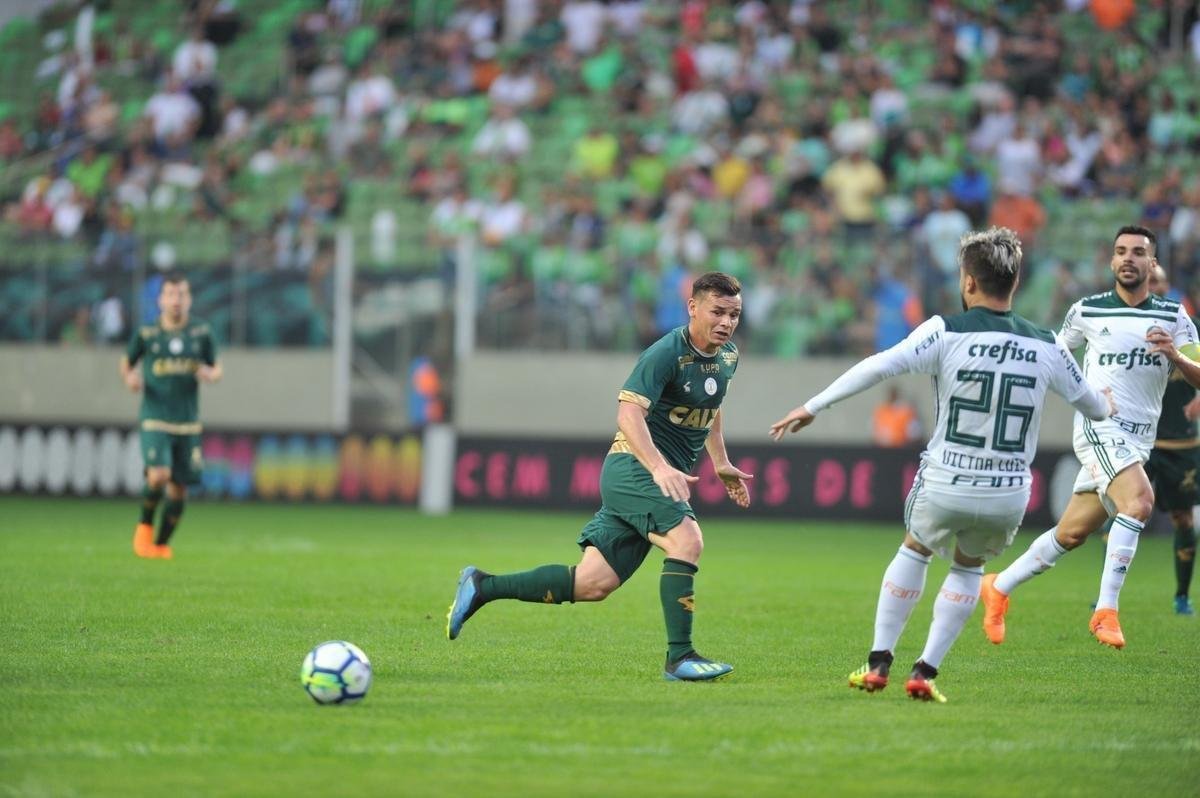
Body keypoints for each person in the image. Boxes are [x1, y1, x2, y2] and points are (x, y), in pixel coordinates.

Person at [769, 227, 1113, 702]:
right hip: (1008, 489)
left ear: (968, 282)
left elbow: (879, 365)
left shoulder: (945, 330)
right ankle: (925, 672)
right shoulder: (1048, 345)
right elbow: (1094, 407)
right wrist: (1108, 401)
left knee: (915, 548)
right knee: (969, 567)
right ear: (1014, 283)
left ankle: (878, 662)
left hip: (947, 477)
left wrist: (814, 405)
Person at [447, 272, 754, 681]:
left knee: (593, 583)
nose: (726, 322)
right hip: (633, 468)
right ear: (693, 307)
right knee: (687, 539)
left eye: (734, 314)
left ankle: (482, 587)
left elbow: (712, 407)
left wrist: (720, 461)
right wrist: (659, 466)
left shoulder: (728, 356)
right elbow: (628, 414)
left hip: (650, 476)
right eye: (718, 312)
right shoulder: (665, 353)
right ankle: (681, 658)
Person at [981, 226, 1200, 649]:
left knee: (1071, 534)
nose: (1129, 259)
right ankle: (1105, 610)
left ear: (1152, 263)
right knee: (1140, 501)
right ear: (1112, 261)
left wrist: (1174, 355)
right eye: (1121, 252)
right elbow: (1053, 362)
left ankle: (999, 586)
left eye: (1139, 252)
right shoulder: (1086, 311)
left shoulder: (1174, 317)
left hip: (1139, 439)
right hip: (1099, 426)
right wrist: (1083, 396)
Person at [119, 272, 222, 559]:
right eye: (171, 294)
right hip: (155, 417)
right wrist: (130, 379)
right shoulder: (147, 334)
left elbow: (217, 367)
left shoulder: (201, 332)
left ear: (189, 299)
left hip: (187, 423)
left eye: (182, 295)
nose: (176, 300)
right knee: (158, 475)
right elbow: (126, 364)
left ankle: (160, 545)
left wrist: (210, 374)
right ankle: (143, 529)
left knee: (179, 490)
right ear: (161, 299)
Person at [1140, 264, 1197, 616]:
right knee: (1117, 513)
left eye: (1161, 282)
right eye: (1151, 282)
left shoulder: (1189, 332)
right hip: (1138, 441)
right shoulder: (1123, 330)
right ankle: (1106, 598)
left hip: (1181, 443)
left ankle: (1181, 595)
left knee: (1184, 519)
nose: (1156, 287)